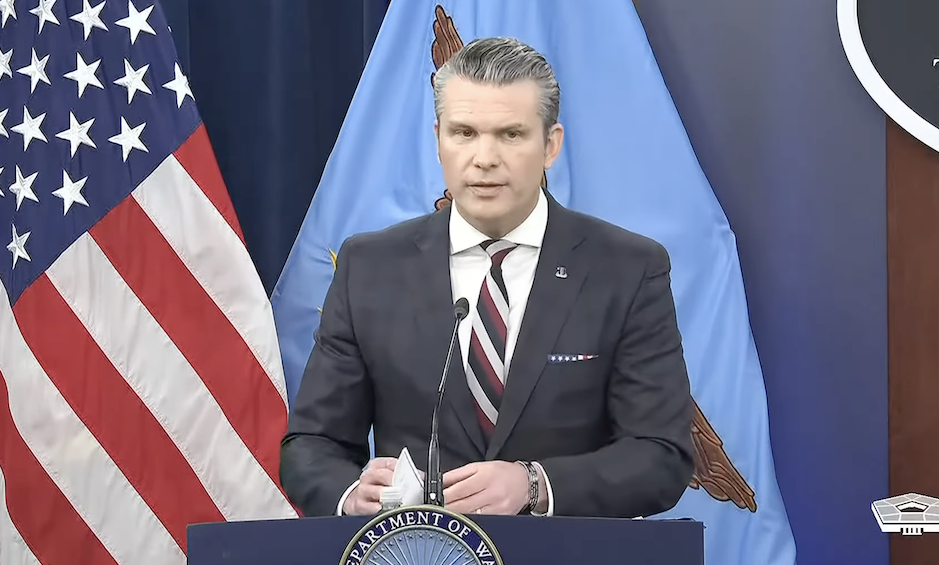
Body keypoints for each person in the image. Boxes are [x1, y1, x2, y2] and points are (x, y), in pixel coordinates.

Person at [279, 36, 695, 519]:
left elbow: (660, 454)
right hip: (417, 548)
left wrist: (535, 484)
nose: (485, 158)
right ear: (439, 139)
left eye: (511, 135)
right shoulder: (369, 267)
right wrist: (351, 492)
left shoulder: (627, 269)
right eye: (464, 133)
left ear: (551, 145)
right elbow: (312, 444)